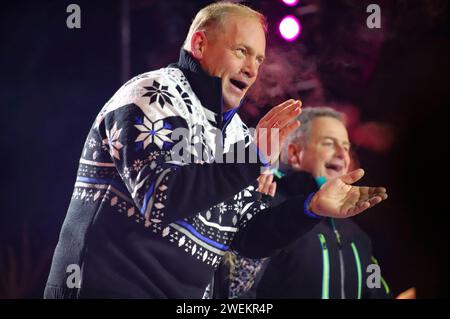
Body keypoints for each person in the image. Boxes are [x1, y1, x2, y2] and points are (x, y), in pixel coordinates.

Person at [44, 3, 387, 298]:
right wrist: (252, 158)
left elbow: (247, 237)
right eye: (241, 51)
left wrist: (308, 209)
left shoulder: (237, 133)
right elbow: (160, 196)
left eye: (259, 58)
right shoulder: (154, 93)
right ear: (200, 43)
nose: (252, 69)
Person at [218, 107, 393, 299]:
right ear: (294, 153)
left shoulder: (359, 237)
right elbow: (235, 290)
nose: (343, 155)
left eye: (346, 147)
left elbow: (374, 289)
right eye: (328, 143)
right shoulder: (265, 210)